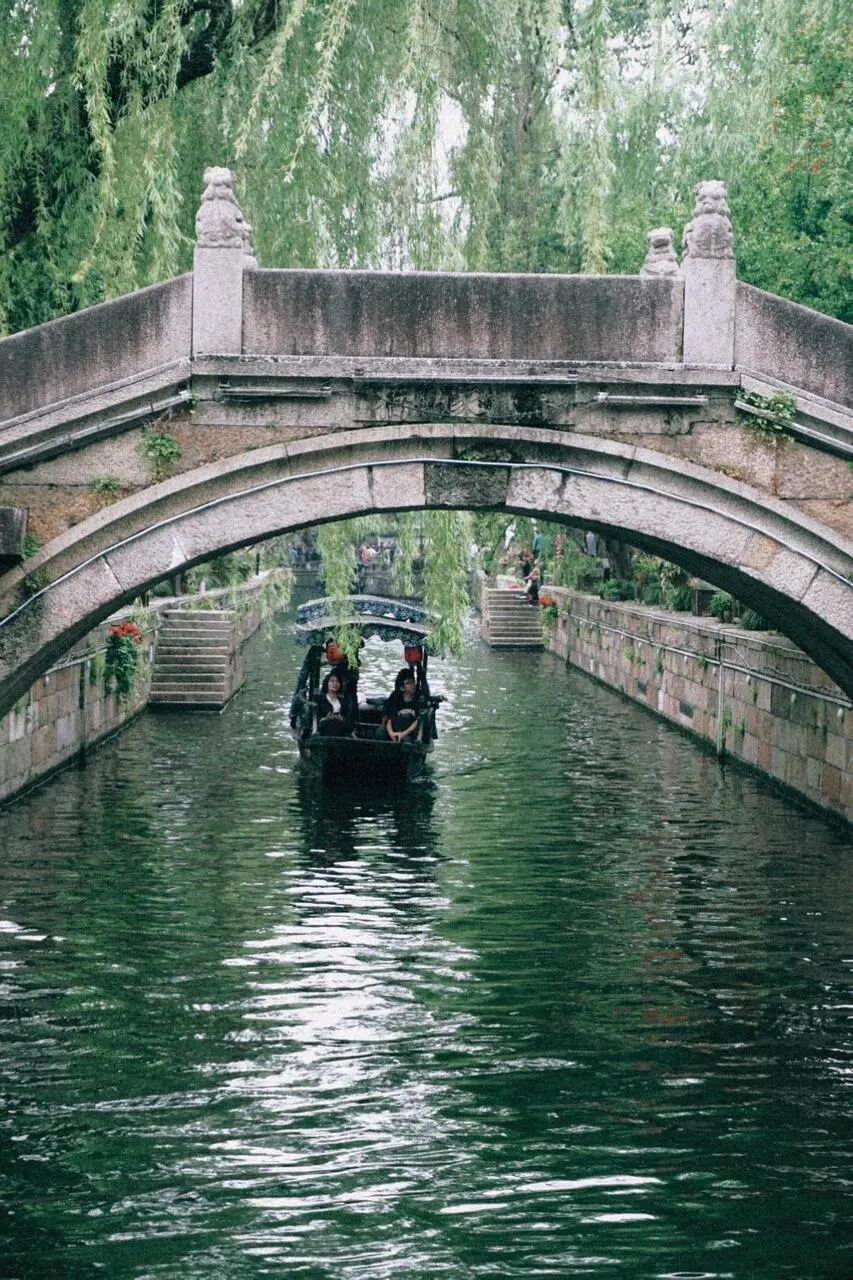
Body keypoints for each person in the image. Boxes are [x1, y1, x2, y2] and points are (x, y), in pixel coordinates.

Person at [380, 669, 423, 744]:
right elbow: (389, 718)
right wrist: (391, 733)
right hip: (394, 729)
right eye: (409, 683)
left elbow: (418, 720)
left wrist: (403, 734)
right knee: (380, 733)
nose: (413, 685)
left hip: (409, 732)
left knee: (407, 742)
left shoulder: (419, 697)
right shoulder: (395, 696)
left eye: (413, 682)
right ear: (402, 687)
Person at [314, 671, 352, 736]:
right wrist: (326, 718)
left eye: (337, 681)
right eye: (332, 681)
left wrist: (341, 718)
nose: (335, 683)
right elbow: (317, 717)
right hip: (325, 728)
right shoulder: (320, 700)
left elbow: (346, 718)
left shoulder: (343, 701)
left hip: (340, 727)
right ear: (327, 683)